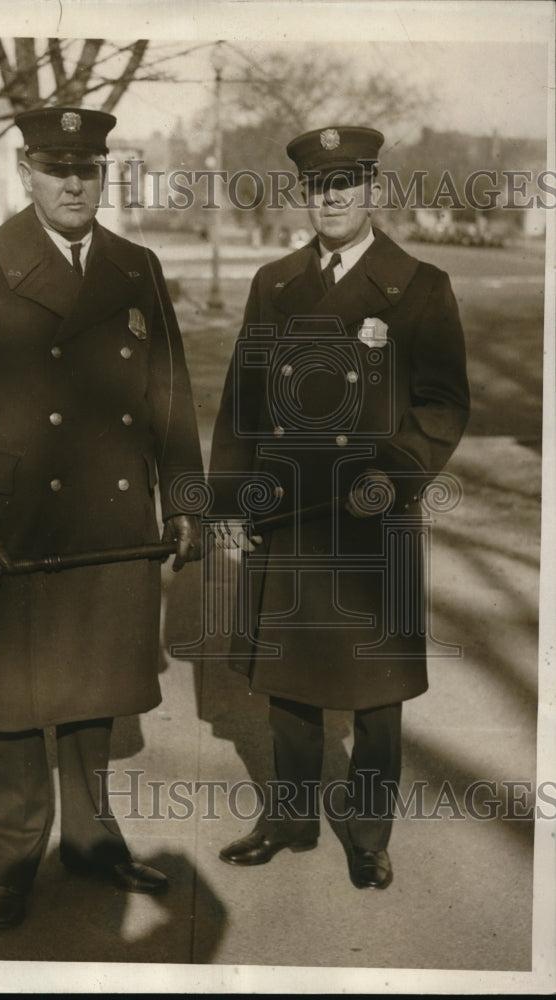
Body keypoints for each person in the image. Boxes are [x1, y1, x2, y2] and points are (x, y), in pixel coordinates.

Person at [0, 106, 203, 928]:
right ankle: (13, 863)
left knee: (93, 696)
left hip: (113, 521)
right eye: (56, 168)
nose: (74, 182)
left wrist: (185, 499)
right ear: (27, 172)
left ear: (103, 173)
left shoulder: (137, 266)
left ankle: (92, 844)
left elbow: (170, 394)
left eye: (88, 168)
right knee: (11, 706)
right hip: (14, 526)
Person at [208, 125, 470, 889]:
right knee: (289, 677)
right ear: (305, 195)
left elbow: (444, 406)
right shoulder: (276, 281)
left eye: (346, 184)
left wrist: (392, 477)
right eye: (320, 187)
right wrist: (226, 500)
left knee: (376, 689)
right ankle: (289, 817)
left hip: (372, 520)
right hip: (287, 516)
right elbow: (242, 403)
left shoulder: (419, 284)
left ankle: (367, 832)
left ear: (373, 190)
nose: (332, 199)